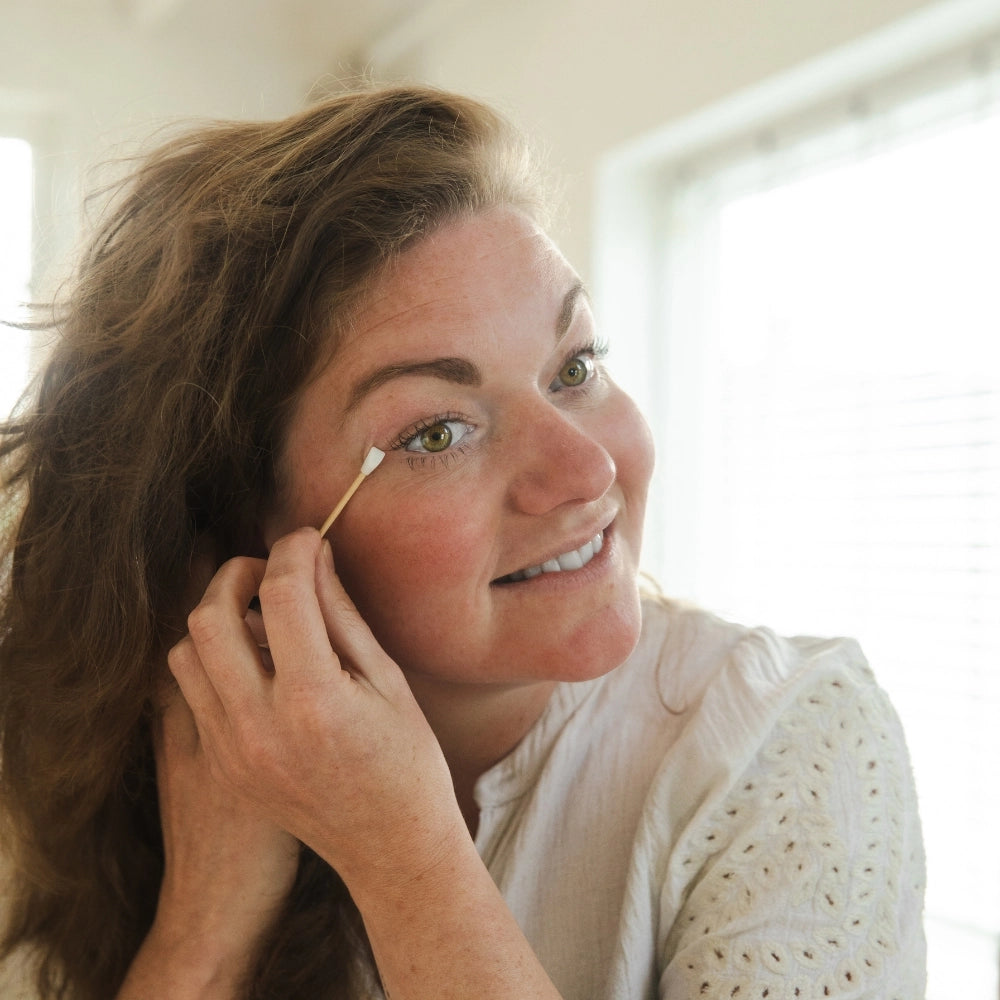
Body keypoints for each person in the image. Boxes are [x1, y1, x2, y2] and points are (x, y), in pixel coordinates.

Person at [0, 85, 925, 1000]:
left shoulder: (788, 742)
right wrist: (204, 925)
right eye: (438, 432)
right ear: (248, 538)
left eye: (575, 367)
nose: (586, 471)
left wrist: (404, 857)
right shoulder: (100, 786)